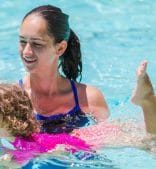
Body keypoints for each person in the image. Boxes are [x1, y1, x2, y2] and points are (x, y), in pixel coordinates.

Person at [17, 4, 109, 133]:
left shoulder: (89, 98)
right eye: (22, 41)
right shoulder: (11, 99)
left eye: (36, 44)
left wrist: (146, 102)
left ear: (60, 48)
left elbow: (112, 139)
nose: (26, 52)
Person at [0, 83, 93, 168]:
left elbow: (26, 158)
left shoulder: (25, 145)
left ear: (8, 122)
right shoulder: (7, 138)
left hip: (79, 150)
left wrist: (11, 164)